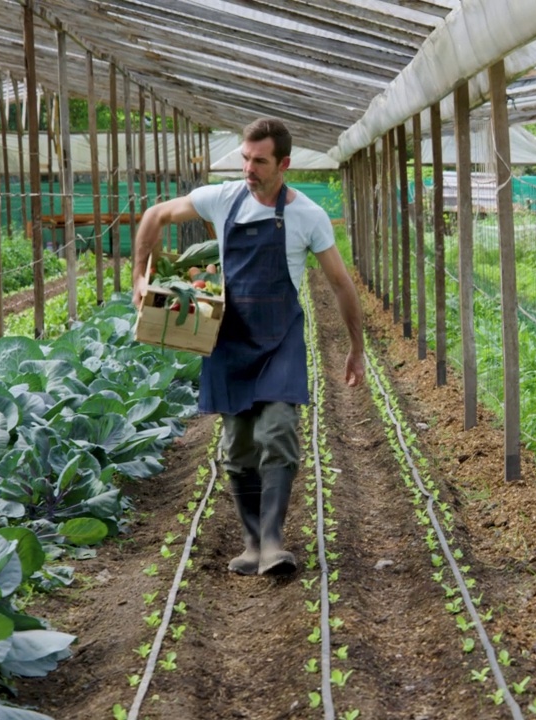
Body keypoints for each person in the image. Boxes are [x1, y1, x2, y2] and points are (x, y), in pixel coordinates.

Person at [133, 118, 365, 576]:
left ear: (284, 164)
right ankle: (252, 542)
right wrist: (139, 277)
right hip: (229, 338)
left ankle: (275, 542)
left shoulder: (307, 216)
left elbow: (341, 285)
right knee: (238, 445)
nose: (248, 168)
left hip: (280, 340)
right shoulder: (222, 200)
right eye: (244, 158)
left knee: (277, 430)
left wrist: (355, 347)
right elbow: (154, 215)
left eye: (259, 161)